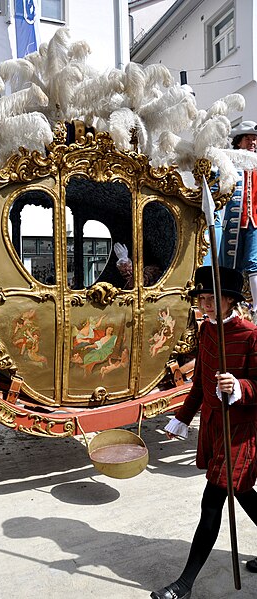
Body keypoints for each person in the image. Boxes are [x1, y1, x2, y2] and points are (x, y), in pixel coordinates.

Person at [150, 265, 257, 599]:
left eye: (212, 299)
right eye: (202, 299)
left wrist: (239, 387)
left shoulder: (251, 335)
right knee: (239, 492)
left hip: (240, 431)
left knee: (211, 502)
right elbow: (199, 383)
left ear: (229, 301)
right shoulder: (207, 331)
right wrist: (181, 419)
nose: (205, 305)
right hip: (213, 427)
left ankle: (184, 584)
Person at [219, 121, 257, 318]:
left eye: (254, 138)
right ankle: (232, 306)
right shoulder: (230, 162)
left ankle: (256, 308)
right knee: (231, 266)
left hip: (255, 222)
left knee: (253, 263)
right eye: (248, 138)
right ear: (239, 141)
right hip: (235, 222)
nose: (252, 142)